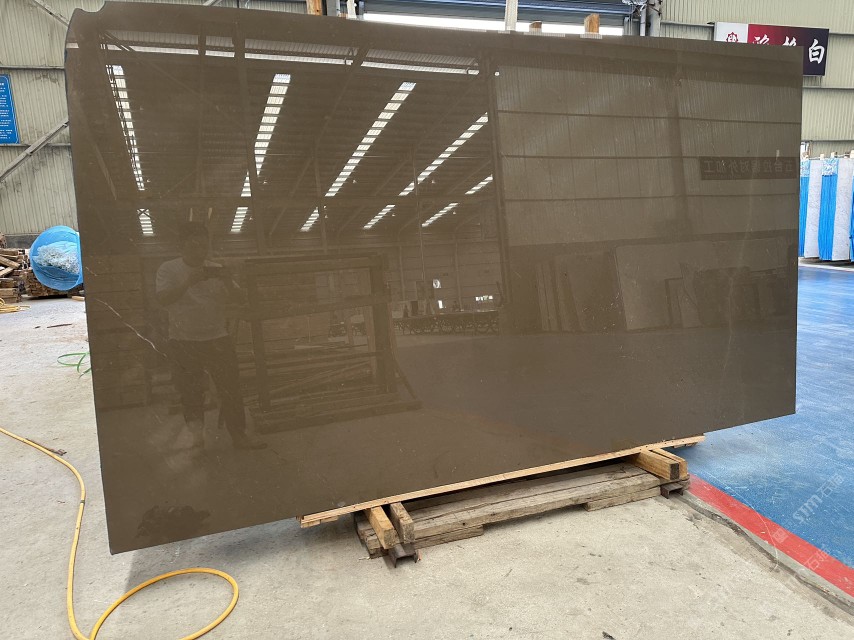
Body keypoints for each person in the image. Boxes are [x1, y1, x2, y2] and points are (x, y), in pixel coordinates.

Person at [155, 222, 266, 450]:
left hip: (217, 337)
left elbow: (240, 299)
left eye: (203, 246)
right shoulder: (168, 269)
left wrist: (227, 280)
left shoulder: (216, 269)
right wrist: (189, 282)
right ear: (182, 246)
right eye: (193, 245)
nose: (199, 251)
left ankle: (239, 436)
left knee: (231, 389)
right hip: (183, 340)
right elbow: (163, 299)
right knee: (191, 392)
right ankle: (197, 438)